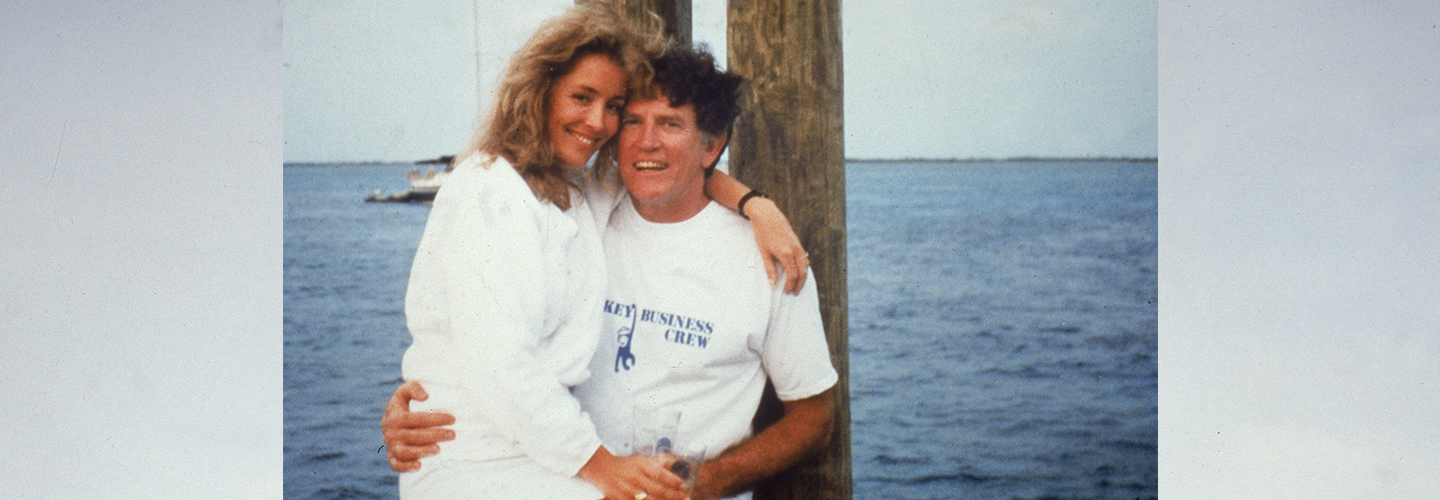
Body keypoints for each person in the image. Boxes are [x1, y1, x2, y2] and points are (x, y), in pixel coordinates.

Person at [392, 4, 809, 500]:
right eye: (582, 97)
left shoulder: (577, 192)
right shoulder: (484, 191)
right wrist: (603, 466)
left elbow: (669, 169)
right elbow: (501, 367)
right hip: (476, 460)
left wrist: (756, 205)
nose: (598, 122)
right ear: (540, 91)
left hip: (542, 452)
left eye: (613, 106)